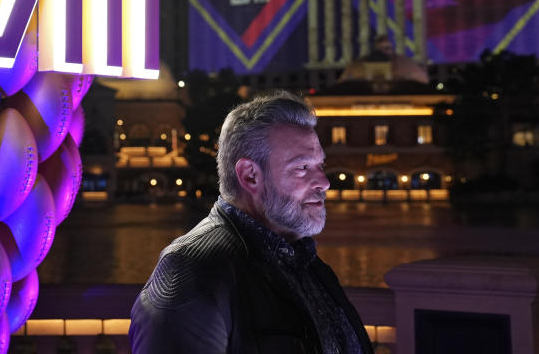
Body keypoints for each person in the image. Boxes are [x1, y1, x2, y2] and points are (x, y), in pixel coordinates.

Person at [130, 91, 373, 354]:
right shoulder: (192, 273)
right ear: (250, 176)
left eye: (319, 166)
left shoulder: (305, 262)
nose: (324, 183)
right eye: (302, 168)